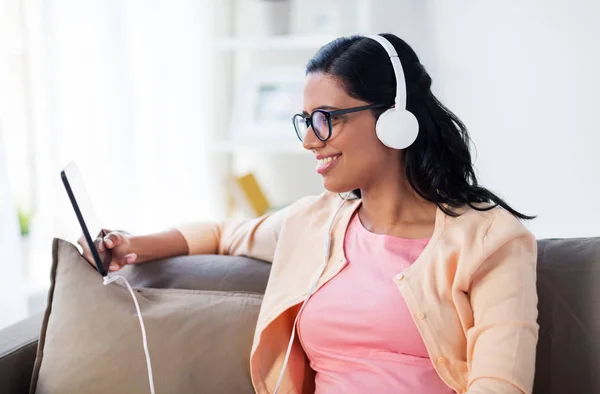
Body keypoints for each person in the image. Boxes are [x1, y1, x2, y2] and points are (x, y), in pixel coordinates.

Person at [81, 33, 539, 394]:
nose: (308, 141)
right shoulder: (312, 224)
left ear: (392, 119)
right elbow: (224, 234)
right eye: (306, 121)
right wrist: (132, 246)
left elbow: (501, 384)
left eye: (326, 118)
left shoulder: (492, 240)